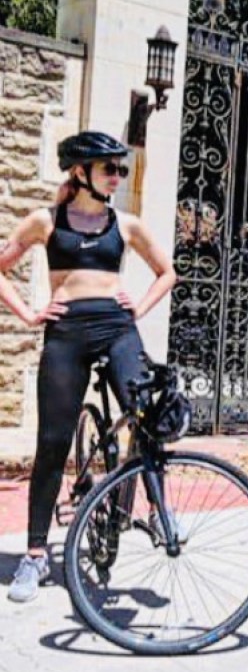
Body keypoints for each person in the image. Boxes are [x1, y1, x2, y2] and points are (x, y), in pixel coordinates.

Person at [0, 132, 176, 602]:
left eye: (120, 169)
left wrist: (136, 308)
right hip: (66, 333)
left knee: (147, 417)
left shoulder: (128, 224)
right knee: (53, 442)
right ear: (81, 173)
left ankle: (156, 510)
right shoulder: (47, 221)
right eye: (109, 169)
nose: (118, 177)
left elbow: (168, 271)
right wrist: (30, 313)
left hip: (116, 328)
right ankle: (35, 556)